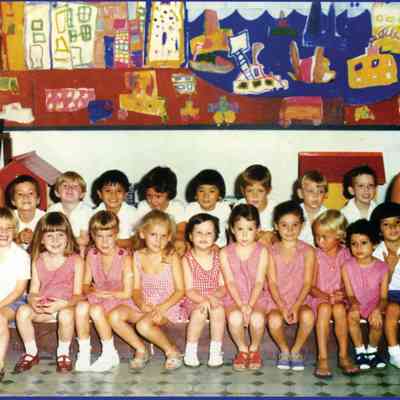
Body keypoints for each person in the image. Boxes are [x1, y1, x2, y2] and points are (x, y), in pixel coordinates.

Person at [14, 212, 84, 374]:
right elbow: (33, 291)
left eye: (60, 235)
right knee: (22, 311)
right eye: (49, 236)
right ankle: (31, 352)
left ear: (68, 237)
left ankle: (63, 353)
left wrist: (63, 304)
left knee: (66, 314)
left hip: (65, 306)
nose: (55, 240)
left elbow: (78, 295)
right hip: (44, 308)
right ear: (41, 239)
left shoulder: (76, 260)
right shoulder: (37, 260)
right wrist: (33, 301)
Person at [74, 210, 140, 372]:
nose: (104, 242)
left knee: (96, 310)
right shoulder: (92, 254)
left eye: (109, 236)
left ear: (117, 234)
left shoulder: (125, 257)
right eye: (99, 236)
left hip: (120, 299)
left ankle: (109, 353)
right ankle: (84, 351)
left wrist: (107, 294)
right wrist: (92, 290)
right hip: (99, 296)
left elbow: (127, 293)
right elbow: (85, 284)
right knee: (81, 307)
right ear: (92, 236)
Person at [132, 210, 186, 370]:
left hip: (168, 307)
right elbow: (135, 289)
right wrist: (141, 303)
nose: (158, 240)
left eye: (163, 236)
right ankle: (141, 349)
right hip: (146, 306)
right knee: (116, 315)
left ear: (169, 237)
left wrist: (162, 308)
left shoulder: (172, 256)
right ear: (142, 234)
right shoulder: (137, 256)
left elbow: (180, 290)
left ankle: (172, 351)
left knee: (143, 325)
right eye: (153, 235)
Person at [266, 200, 315, 371]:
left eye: (295, 225)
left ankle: (296, 350)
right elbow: (272, 282)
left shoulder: (308, 251)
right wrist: (282, 306)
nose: (290, 230)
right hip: (276, 300)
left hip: (300, 299)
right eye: (284, 225)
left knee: (308, 315)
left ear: (302, 225)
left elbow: (308, 283)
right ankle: (284, 350)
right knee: (273, 319)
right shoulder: (271, 251)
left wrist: (295, 306)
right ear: (276, 226)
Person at [220, 204, 269, 371]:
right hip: (234, 297)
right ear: (232, 229)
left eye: (250, 229)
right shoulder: (225, 252)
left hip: (256, 296)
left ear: (258, 229)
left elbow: (259, 282)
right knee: (235, 317)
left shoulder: (262, 251)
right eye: (240, 229)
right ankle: (242, 349)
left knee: (257, 318)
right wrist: (241, 305)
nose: (245, 234)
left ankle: (254, 349)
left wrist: (250, 305)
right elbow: (230, 282)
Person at [310, 210, 359, 377]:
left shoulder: (347, 254)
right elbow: (310, 286)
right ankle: (322, 358)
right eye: (317, 236)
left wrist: (342, 294)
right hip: (318, 298)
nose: (319, 241)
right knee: (324, 309)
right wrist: (326, 297)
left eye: (324, 237)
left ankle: (343, 355)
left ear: (339, 236)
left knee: (339, 309)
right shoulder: (315, 255)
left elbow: (350, 283)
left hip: (340, 299)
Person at [342, 219, 389, 370]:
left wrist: (378, 310)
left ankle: (372, 351)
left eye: (363, 243)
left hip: (374, 304)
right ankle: (360, 351)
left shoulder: (383, 268)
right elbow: (350, 294)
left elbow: (383, 297)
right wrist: (354, 305)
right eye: (354, 244)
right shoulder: (347, 266)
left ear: (374, 244)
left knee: (377, 319)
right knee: (352, 315)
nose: (358, 248)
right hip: (355, 303)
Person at [182, 214, 226, 368]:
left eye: (209, 233)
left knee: (218, 310)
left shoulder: (219, 257)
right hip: (194, 299)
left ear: (216, 236)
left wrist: (214, 297)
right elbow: (189, 289)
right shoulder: (187, 259)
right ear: (190, 236)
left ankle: (215, 351)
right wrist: (204, 300)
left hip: (215, 297)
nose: (203, 237)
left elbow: (223, 286)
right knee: (199, 312)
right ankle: (190, 350)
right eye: (199, 232)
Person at [0, 207, 30, 381]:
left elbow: (19, 291)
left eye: (8, 228)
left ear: (15, 230)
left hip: (14, 302)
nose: (3, 232)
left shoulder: (20, 256)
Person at [370, 202, 400, 368]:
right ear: (380, 230)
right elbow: (377, 287)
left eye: (397, 222)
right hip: (386, 294)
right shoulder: (377, 252)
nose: (393, 228)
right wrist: (390, 269)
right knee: (392, 309)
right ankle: (395, 352)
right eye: (386, 224)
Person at [136, 166, 186, 255]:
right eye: (149, 196)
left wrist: (166, 243)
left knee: (181, 244)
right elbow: (138, 233)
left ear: (169, 193)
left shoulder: (177, 207)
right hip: (148, 245)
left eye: (158, 196)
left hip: (170, 244)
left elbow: (181, 232)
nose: (153, 201)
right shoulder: (143, 206)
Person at [47, 171, 92, 256]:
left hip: (79, 249)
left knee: (82, 248)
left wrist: (63, 240)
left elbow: (84, 240)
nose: (70, 188)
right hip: (57, 247)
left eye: (75, 186)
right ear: (57, 193)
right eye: (65, 186)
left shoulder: (86, 211)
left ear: (82, 194)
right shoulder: (52, 210)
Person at [92, 169, 138, 250]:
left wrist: (121, 243)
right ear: (100, 194)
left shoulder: (133, 213)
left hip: (127, 253)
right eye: (108, 191)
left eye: (119, 191)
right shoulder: (94, 214)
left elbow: (139, 240)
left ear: (125, 194)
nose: (113, 195)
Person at [184, 169, 230, 247]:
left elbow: (232, 231)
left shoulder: (224, 208)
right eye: (201, 191)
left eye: (212, 191)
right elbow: (185, 232)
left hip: (219, 248)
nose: (206, 196)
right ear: (195, 195)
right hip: (196, 248)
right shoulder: (191, 208)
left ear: (219, 195)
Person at [235, 164, 275, 246]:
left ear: (268, 190)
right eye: (250, 191)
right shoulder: (239, 207)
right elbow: (233, 233)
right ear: (243, 191)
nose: (255, 196)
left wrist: (272, 235)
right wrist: (257, 235)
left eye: (260, 191)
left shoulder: (275, 208)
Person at [6, 175, 45, 249]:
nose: (25, 197)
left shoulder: (45, 219)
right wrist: (18, 239)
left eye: (30, 193)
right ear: (13, 201)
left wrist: (36, 239)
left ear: (38, 199)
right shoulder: (8, 219)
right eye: (20, 194)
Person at [296, 170, 328, 246]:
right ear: (300, 193)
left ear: (326, 195)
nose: (315, 196)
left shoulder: (329, 216)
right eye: (310, 191)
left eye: (320, 192)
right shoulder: (293, 213)